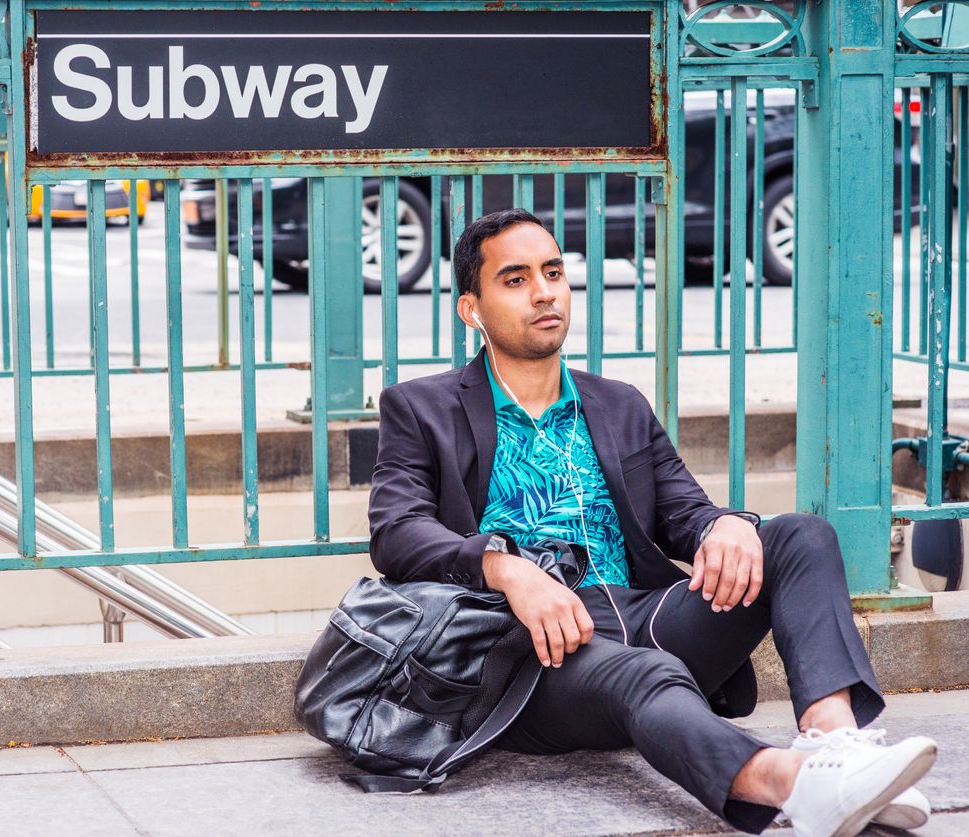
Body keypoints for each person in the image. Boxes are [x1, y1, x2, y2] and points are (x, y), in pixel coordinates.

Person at [367, 208, 937, 837]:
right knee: (650, 676)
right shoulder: (422, 408)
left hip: (647, 614)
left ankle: (837, 748)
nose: (544, 292)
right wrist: (504, 571)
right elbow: (397, 531)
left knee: (800, 536)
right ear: (471, 308)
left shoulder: (618, 404)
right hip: (528, 654)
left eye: (553, 272)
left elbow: (685, 514)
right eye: (516, 278)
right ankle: (797, 787)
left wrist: (726, 526)